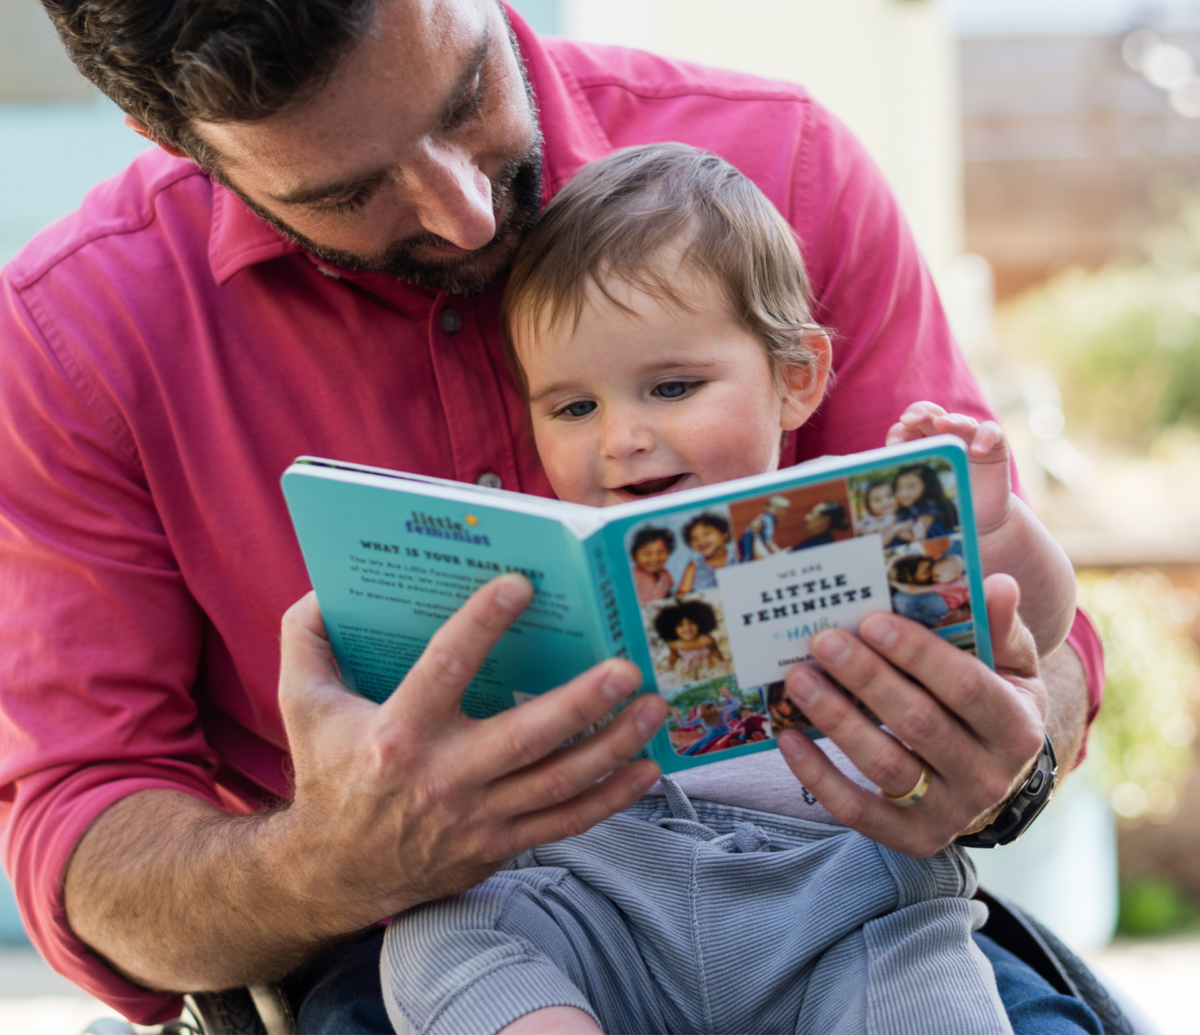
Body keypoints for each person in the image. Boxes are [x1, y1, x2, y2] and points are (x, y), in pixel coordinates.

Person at [0, 0, 1102, 1029]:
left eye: (465, 94)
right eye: (349, 194)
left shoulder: (780, 168)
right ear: (167, 137)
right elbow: (85, 823)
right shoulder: (73, 340)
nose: (464, 211)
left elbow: (1037, 634)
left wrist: (1008, 758)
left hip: (834, 905)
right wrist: (332, 858)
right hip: (448, 947)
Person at [379, 141, 1082, 1035]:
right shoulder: (540, 556)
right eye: (573, 407)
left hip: (840, 901)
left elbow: (1041, 626)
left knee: (926, 973)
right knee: (445, 935)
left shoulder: (850, 516)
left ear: (797, 379)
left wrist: (990, 529)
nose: (621, 438)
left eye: (671, 386)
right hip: (599, 900)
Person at [676, 513, 738, 594]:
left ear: (725, 534)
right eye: (694, 538)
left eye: (706, 533)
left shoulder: (739, 555)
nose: (701, 541)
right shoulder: (693, 567)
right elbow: (682, 594)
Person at [628, 526, 676, 604]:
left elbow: (667, 596)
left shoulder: (666, 574)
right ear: (634, 556)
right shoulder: (633, 577)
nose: (655, 558)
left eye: (661, 552)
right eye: (647, 553)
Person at [736, 494, 790, 560]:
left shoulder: (769, 518)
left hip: (749, 540)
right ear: (767, 507)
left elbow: (769, 539)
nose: (781, 512)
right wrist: (778, 552)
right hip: (747, 540)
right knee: (747, 558)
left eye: (784, 509)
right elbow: (768, 541)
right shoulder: (768, 519)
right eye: (777, 508)